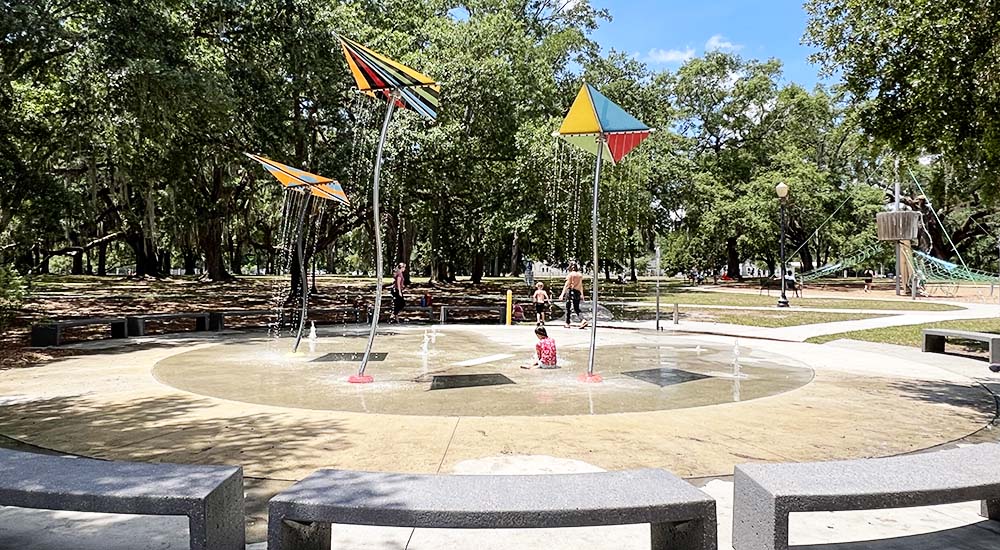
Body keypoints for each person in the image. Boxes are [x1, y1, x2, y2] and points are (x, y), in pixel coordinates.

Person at [559, 262, 587, 329]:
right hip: (577, 292)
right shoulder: (580, 275)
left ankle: (567, 323)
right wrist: (582, 294)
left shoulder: (570, 275)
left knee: (568, 307)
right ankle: (583, 320)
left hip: (571, 291)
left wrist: (562, 294)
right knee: (576, 308)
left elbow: (567, 285)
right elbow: (580, 286)